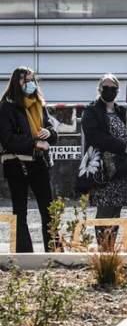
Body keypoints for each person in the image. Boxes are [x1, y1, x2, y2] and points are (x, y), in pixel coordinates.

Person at [0, 66, 58, 253]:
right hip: (16, 165)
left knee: (49, 210)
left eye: (32, 80)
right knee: (20, 211)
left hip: (40, 163)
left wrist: (49, 133)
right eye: (26, 80)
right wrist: (34, 143)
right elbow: (7, 138)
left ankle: (55, 251)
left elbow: (51, 131)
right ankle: (24, 253)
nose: (30, 84)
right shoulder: (6, 107)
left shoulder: (38, 104)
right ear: (16, 82)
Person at [81, 74, 127, 244]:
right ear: (99, 90)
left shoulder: (122, 111)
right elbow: (94, 137)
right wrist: (121, 146)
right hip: (103, 169)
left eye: (113, 88)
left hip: (122, 170)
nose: (109, 91)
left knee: (116, 212)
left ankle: (111, 250)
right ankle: (103, 251)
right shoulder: (91, 111)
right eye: (106, 88)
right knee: (104, 210)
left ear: (118, 91)